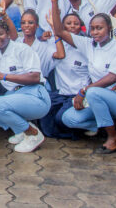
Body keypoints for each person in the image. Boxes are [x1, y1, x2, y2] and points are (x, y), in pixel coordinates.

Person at [52, 0, 116, 153]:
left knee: (93, 92)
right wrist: (54, 2)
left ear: (109, 28)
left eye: (99, 28)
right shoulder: (88, 44)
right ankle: (107, 124)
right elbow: (59, 31)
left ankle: (113, 138)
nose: (95, 32)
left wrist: (84, 90)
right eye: (93, 29)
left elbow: (112, 78)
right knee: (68, 118)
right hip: (98, 100)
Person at [0, 22, 50, 153]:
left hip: (36, 96)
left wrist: (4, 76)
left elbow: (35, 77)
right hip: (13, 97)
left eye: (0, 33)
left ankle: (33, 134)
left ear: (8, 34)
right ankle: (20, 130)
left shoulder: (22, 49)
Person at [40, 10, 90, 139]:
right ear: (63, 27)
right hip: (62, 93)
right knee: (45, 119)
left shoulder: (87, 46)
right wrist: (53, 30)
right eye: (68, 23)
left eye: (76, 23)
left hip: (79, 94)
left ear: (81, 27)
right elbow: (60, 54)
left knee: (60, 118)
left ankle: (91, 126)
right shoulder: (55, 44)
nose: (72, 26)